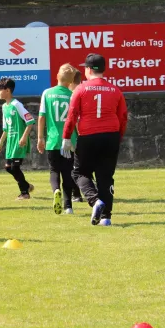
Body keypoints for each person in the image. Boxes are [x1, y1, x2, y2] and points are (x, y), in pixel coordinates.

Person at [62, 53, 128, 226]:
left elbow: (72, 115)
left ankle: (94, 200)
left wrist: (66, 137)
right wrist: (118, 137)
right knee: (106, 176)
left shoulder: (81, 89)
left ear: (89, 69)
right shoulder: (115, 90)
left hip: (89, 135)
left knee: (79, 172)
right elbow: (123, 116)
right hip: (111, 135)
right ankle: (106, 218)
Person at [37, 64, 79, 215]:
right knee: (68, 173)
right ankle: (68, 206)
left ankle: (56, 190)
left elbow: (42, 116)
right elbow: (77, 120)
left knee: (54, 170)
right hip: (69, 141)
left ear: (57, 76)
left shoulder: (47, 93)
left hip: (53, 141)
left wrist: (40, 137)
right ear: (71, 81)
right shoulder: (73, 95)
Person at [0, 78, 36, 200]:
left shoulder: (16, 104)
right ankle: (27, 186)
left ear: (7, 90)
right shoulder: (4, 106)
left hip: (18, 141)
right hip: (10, 142)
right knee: (8, 167)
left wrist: (24, 137)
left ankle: (24, 193)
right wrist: (1, 143)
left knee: (14, 167)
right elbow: (6, 128)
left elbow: (30, 121)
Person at [70, 69, 83, 203]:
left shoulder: (74, 94)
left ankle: (76, 194)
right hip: (88, 134)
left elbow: (75, 118)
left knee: (73, 167)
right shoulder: (85, 91)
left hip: (76, 137)